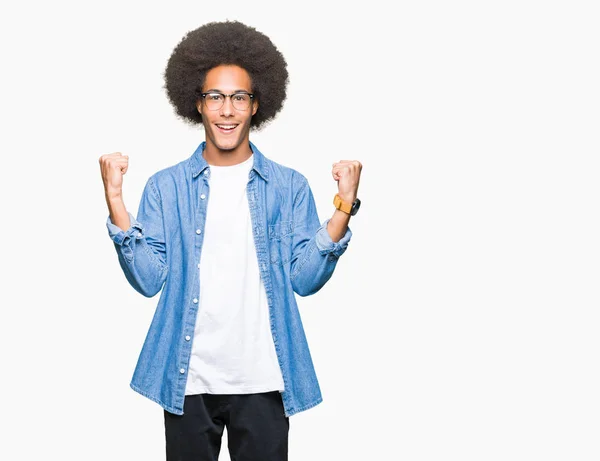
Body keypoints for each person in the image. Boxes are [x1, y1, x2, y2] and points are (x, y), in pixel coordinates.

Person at [99, 20, 362, 461]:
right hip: (188, 379)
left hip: (263, 379)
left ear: (257, 104)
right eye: (215, 97)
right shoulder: (167, 187)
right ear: (197, 104)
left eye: (239, 97)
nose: (226, 110)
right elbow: (148, 280)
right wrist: (115, 201)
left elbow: (305, 279)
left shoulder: (287, 185)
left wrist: (343, 207)